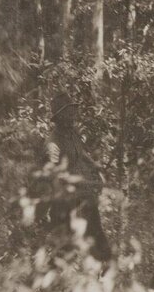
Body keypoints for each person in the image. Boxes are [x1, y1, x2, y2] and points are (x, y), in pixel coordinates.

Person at [38, 89, 113, 263]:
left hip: (84, 197)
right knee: (64, 251)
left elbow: (82, 154)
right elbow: (53, 173)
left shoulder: (72, 134)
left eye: (73, 112)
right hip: (65, 204)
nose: (73, 116)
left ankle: (104, 267)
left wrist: (96, 167)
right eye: (68, 113)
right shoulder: (53, 144)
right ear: (59, 116)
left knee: (97, 238)